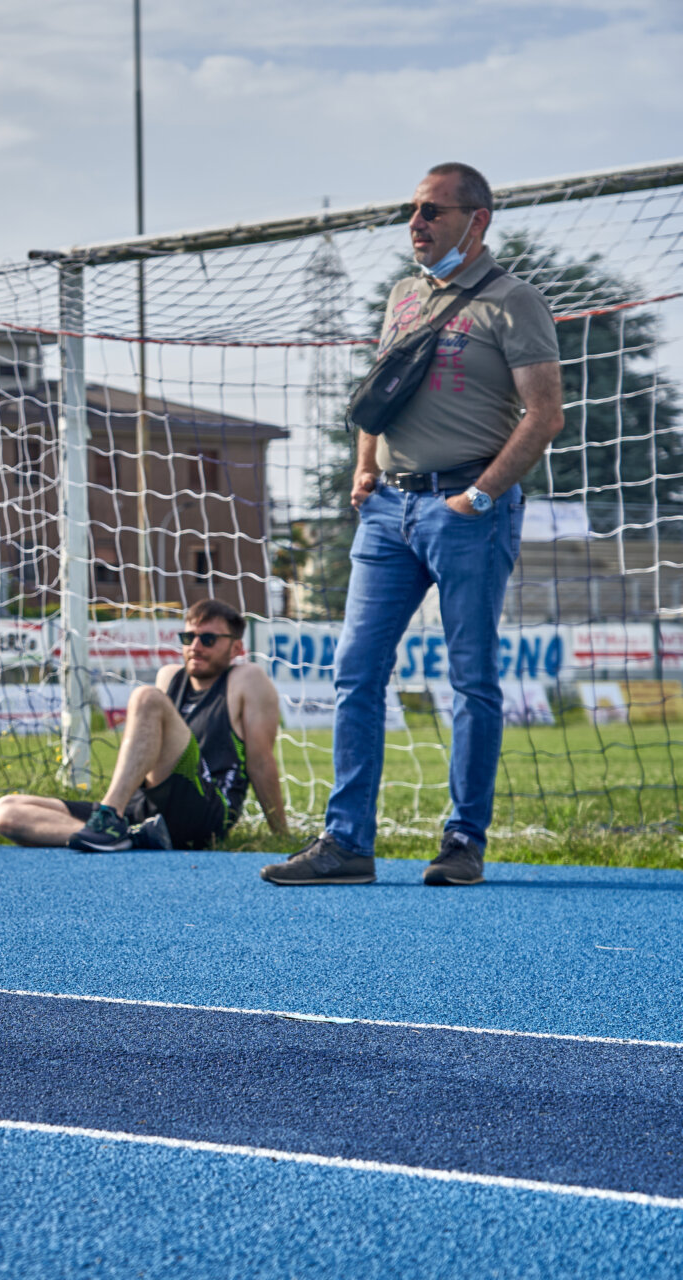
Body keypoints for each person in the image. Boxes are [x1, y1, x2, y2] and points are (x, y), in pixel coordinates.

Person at [261, 162, 563, 888]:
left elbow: (545, 415)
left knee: (472, 680)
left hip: (466, 511)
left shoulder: (515, 302)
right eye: (412, 211)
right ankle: (346, 843)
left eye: (431, 211)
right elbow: (380, 394)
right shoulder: (402, 296)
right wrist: (365, 466)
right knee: (355, 671)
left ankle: (462, 843)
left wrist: (482, 497)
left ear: (477, 219)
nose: (416, 224)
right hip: (388, 511)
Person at [0, 600, 287, 852]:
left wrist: (282, 836)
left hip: (206, 811)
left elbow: (260, 762)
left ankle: (109, 817)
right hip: (143, 809)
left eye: (208, 639)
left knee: (146, 697)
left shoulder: (246, 678)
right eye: (188, 638)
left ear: (236, 647)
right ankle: (132, 837)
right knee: (7, 812)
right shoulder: (171, 676)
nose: (195, 647)